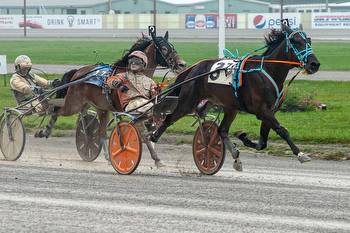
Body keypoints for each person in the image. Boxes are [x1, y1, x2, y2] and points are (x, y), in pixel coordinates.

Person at [106, 50, 159, 115]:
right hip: (131, 104)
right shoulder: (124, 76)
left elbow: (155, 95)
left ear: (143, 64)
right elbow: (110, 80)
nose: (133, 63)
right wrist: (116, 83)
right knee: (150, 107)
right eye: (131, 61)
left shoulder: (149, 81)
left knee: (159, 108)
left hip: (146, 103)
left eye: (137, 62)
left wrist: (157, 91)